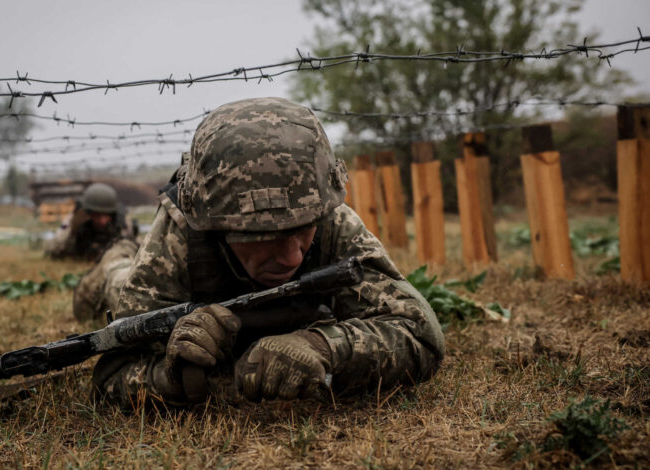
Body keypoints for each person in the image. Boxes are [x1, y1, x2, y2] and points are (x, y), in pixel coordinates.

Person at [79, 97, 444, 405]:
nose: (292, 257)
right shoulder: (180, 232)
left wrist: (325, 347)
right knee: (118, 276)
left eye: (301, 231)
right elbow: (112, 373)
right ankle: (113, 260)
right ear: (214, 225)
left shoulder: (327, 215)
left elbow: (420, 332)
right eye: (260, 236)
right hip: (138, 277)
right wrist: (172, 375)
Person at [44, 182, 137, 261]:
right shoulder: (74, 220)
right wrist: (72, 230)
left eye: (106, 215)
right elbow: (52, 250)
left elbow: (133, 249)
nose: (102, 221)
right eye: (97, 215)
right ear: (88, 213)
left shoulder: (122, 223)